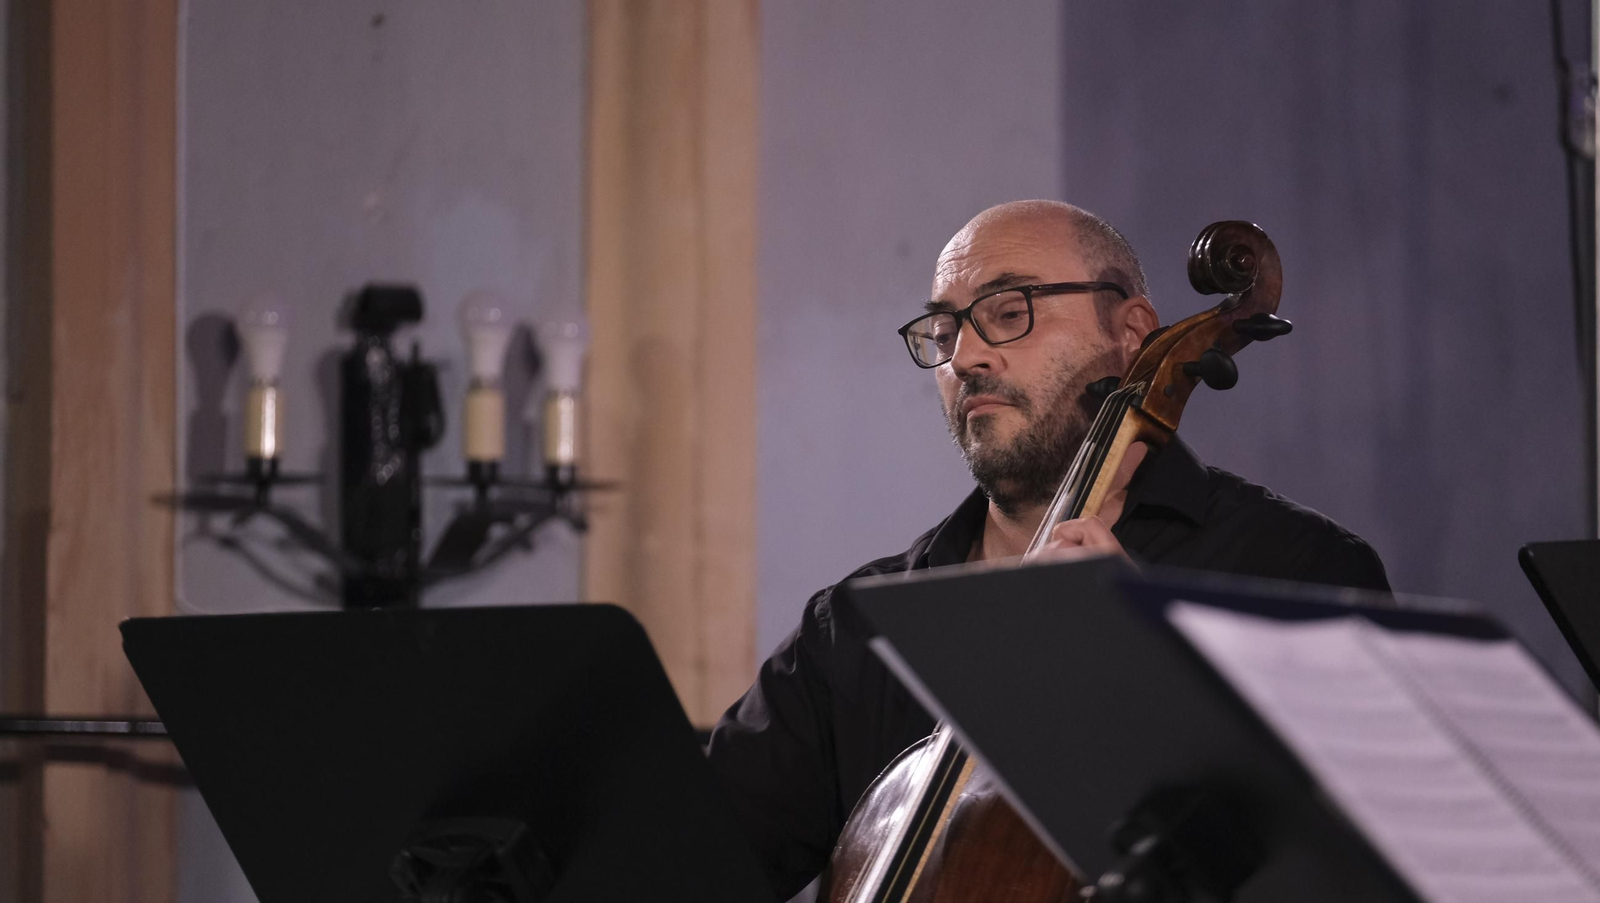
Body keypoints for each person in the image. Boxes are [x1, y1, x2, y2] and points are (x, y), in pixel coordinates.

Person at [705, 200, 1389, 899]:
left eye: (1008, 310)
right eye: (943, 330)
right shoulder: (854, 629)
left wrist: (1148, 675)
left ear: (1130, 334)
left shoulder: (1296, 571)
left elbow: (1346, 874)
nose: (965, 356)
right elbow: (680, 862)